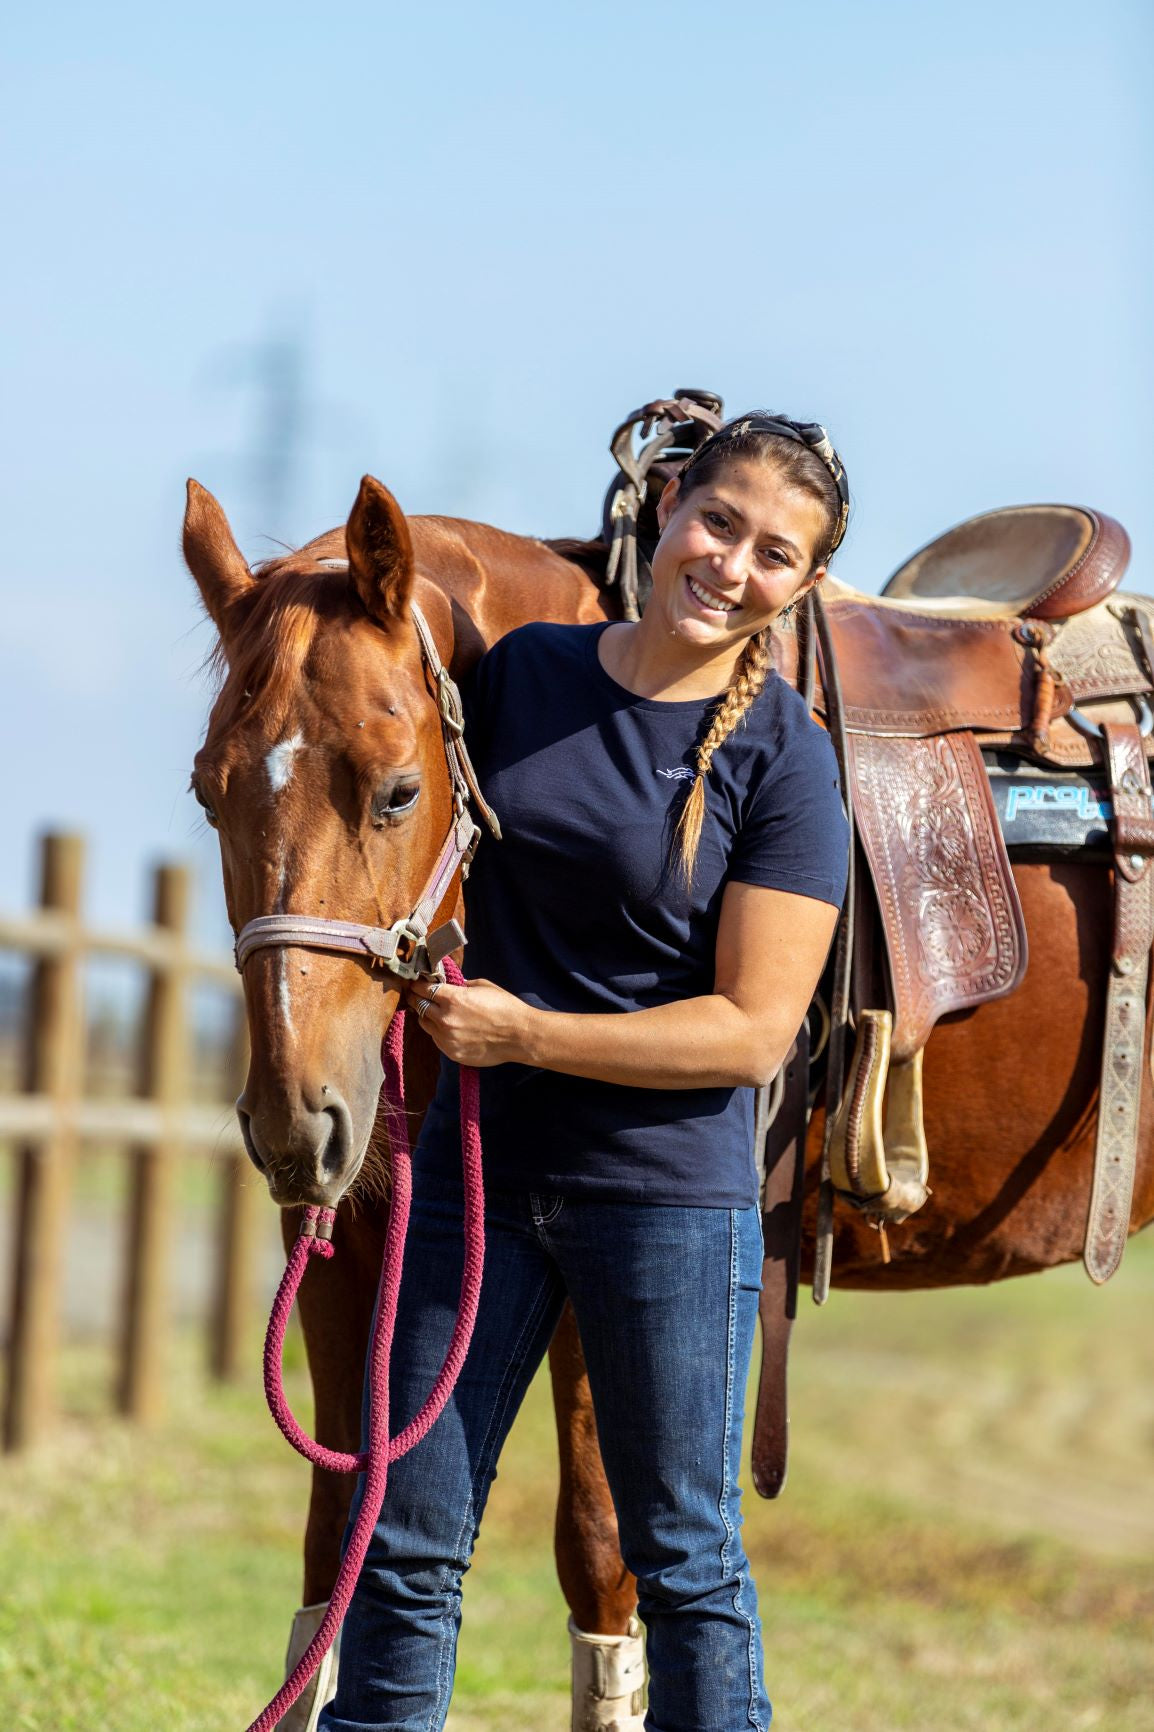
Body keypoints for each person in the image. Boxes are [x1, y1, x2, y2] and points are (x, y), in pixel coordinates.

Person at [320, 414, 851, 1732]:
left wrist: (528, 1037)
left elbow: (747, 1033)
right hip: (478, 1184)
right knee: (402, 1538)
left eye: (773, 554)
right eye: (718, 522)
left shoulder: (781, 760)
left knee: (683, 1561)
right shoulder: (521, 680)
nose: (730, 565)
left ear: (802, 585)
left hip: (664, 1202)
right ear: (668, 505)